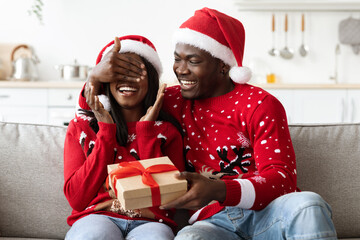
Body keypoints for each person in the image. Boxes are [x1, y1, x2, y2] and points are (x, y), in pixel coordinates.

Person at [77, 8, 337, 240]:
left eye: (193, 61)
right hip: (212, 223)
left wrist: (221, 189)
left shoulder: (260, 104)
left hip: (269, 212)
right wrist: (94, 77)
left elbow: (283, 179)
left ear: (223, 66)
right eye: (177, 59)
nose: (181, 69)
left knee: (309, 205)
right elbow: (114, 104)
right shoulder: (170, 100)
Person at [63, 35, 185, 240]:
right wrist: (106, 132)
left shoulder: (167, 132)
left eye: (136, 72)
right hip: (97, 216)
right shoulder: (82, 128)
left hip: (151, 222)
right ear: (105, 80)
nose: (127, 79)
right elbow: (77, 199)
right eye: (118, 72)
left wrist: (146, 132)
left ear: (152, 80)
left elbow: (168, 199)